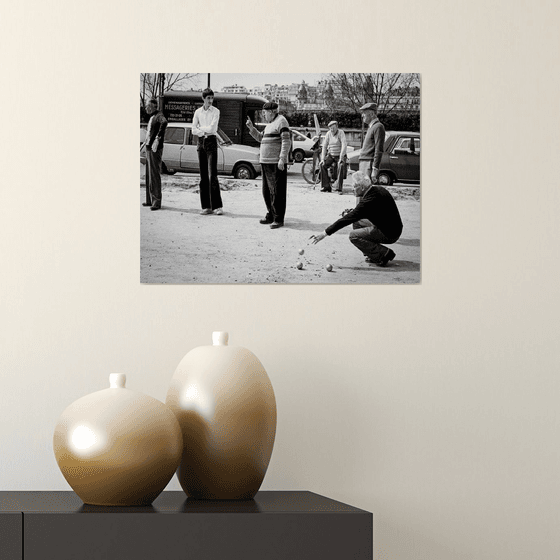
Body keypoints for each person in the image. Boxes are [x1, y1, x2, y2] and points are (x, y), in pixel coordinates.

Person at [309, 171, 402, 266]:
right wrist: (353, 212)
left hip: (389, 233)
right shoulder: (377, 189)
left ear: (362, 187)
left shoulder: (367, 201)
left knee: (353, 235)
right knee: (357, 222)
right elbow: (372, 212)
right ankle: (372, 253)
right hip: (392, 227)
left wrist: (324, 233)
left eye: (354, 186)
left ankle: (383, 254)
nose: (352, 189)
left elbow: (345, 220)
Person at [246, 102, 291, 229]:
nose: (263, 114)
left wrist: (282, 159)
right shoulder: (270, 124)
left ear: (271, 112)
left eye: (264, 112)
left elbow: (286, 141)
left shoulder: (281, 121)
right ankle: (271, 214)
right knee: (267, 191)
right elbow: (261, 138)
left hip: (275, 163)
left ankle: (278, 218)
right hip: (265, 162)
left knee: (277, 192)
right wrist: (251, 128)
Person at [192, 88, 223, 215]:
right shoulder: (198, 112)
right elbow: (193, 129)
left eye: (212, 98)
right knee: (203, 176)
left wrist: (201, 129)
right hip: (201, 143)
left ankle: (217, 206)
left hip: (211, 142)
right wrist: (203, 130)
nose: (211, 100)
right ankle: (206, 206)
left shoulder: (216, 111)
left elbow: (213, 128)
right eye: (208, 98)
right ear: (203, 99)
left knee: (212, 175)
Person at [141, 98, 168, 211]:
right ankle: (149, 200)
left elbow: (164, 122)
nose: (146, 108)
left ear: (153, 106)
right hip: (148, 147)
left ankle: (156, 202)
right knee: (148, 175)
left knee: (154, 175)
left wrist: (158, 137)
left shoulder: (158, 116)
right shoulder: (152, 117)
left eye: (148, 106)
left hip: (154, 149)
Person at [358, 102, 386, 184]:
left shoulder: (378, 127)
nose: (362, 115)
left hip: (369, 164)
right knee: (362, 190)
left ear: (372, 114)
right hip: (364, 162)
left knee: (366, 191)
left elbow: (379, 150)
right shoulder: (372, 127)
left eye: (364, 113)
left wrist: (375, 169)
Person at [320, 120, 347, 194]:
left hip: (339, 155)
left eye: (333, 128)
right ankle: (326, 186)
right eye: (330, 128)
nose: (332, 130)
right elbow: (324, 146)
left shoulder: (341, 133)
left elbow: (344, 145)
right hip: (331, 155)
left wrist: (341, 158)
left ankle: (338, 188)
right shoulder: (328, 134)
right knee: (322, 165)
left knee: (340, 166)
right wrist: (322, 158)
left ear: (337, 127)